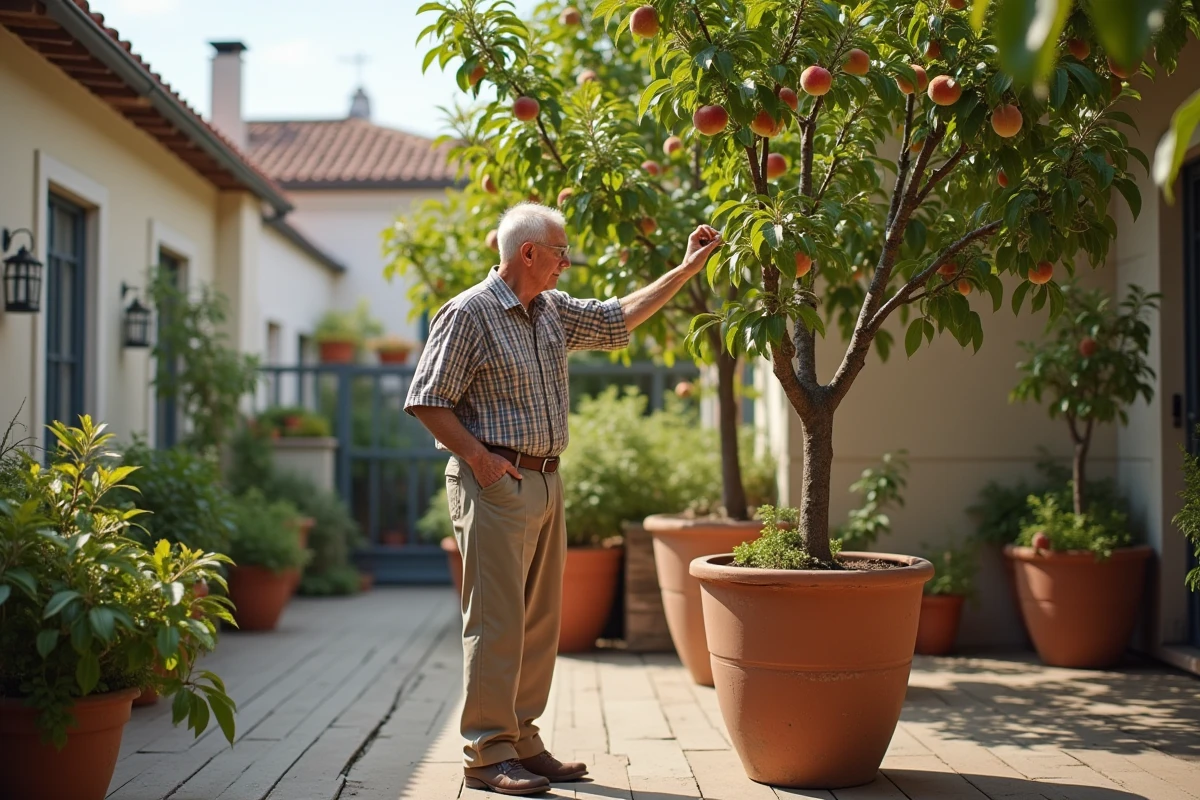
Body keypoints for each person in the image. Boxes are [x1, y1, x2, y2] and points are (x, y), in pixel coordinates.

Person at [404, 202, 722, 796]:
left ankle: (521, 739)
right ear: (528, 253)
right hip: (495, 481)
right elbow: (427, 398)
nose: (566, 262)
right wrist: (480, 460)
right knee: (497, 621)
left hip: (547, 480)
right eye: (560, 251)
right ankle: (486, 753)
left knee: (539, 622)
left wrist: (684, 270)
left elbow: (618, 316)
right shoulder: (469, 313)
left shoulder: (550, 311)